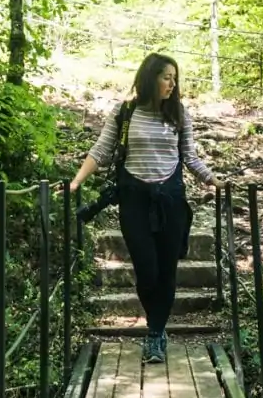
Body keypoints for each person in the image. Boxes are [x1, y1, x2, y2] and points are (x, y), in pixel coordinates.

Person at [69, 53, 218, 363]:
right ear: (150, 77)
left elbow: (189, 157)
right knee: (146, 270)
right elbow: (101, 150)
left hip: (172, 202)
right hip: (134, 201)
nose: (172, 84)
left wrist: (214, 180)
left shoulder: (179, 114)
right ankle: (156, 327)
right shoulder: (125, 112)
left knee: (167, 272)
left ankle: (155, 333)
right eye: (167, 77)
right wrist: (76, 182)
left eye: (175, 79)